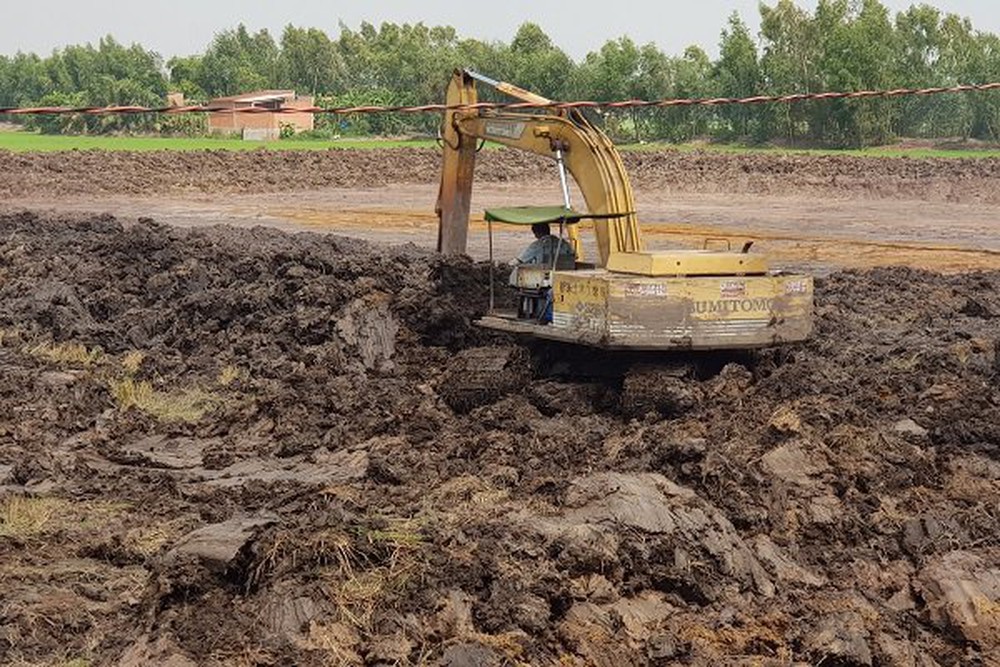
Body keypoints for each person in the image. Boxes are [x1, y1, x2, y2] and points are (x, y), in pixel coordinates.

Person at [508, 222, 575, 286]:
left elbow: (520, 260)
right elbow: (574, 256)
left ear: (536, 233)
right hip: (564, 274)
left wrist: (508, 265)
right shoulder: (563, 243)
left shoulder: (537, 245)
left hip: (544, 278)